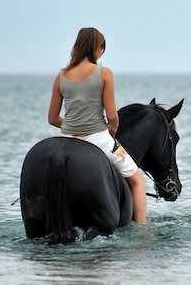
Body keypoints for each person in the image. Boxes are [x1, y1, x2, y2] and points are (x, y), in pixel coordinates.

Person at [47, 27, 147, 224]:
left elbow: (52, 118)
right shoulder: (104, 73)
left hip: (68, 141)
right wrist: (113, 129)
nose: (101, 54)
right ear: (97, 48)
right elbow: (112, 115)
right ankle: (143, 232)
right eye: (102, 49)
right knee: (138, 180)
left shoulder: (60, 77)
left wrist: (70, 125)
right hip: (99, 139)